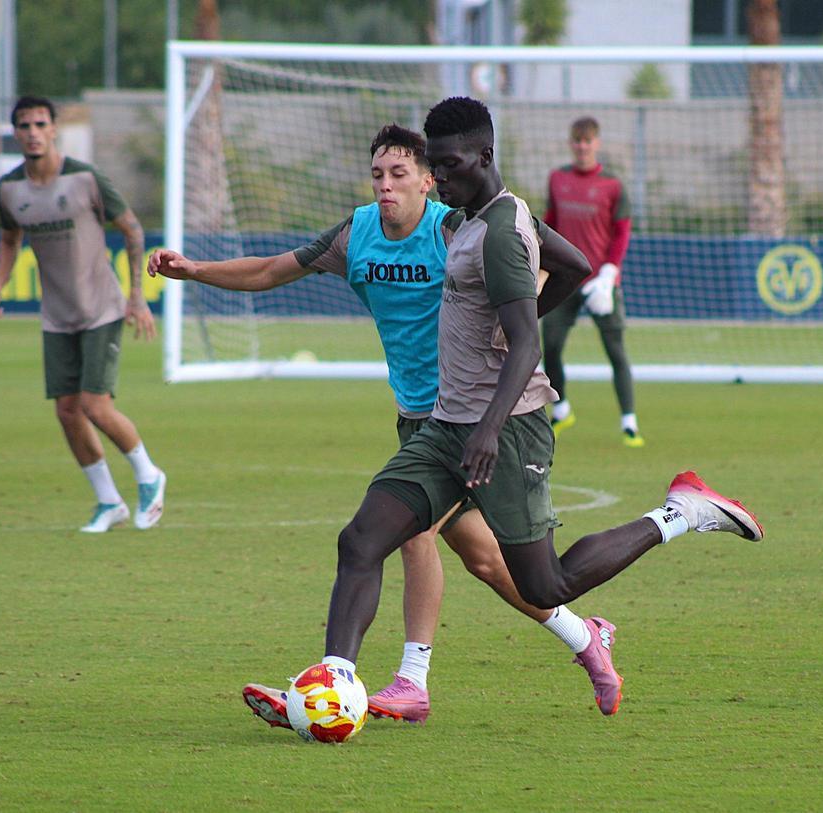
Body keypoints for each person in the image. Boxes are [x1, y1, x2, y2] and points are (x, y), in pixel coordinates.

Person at [246, 97, 764, 730]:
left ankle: (679, 513)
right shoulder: (468, 221)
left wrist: (490, 427)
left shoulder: (496, 232)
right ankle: (334, 681)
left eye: (452, 163)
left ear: (485, 157)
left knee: (545, 584)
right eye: (434, 165)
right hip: (445, 426)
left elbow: (527, 342)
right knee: (361, 539)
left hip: (509, 430)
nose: (444, 176)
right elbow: (573, 267)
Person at [148, 124, 626, 720]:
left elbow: (561, 258)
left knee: (406, 535)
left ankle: (401, 681)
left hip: (474, 418)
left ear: (431, 180)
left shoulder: (459, 227)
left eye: (400, 174)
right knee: (488, 563)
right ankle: (587, 639)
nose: (386, 186)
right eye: (378, 175)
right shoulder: (357, 234)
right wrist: (194, 271)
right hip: (417, 416)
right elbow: (272, 270)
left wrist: (517, 323)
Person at [0, 96, 166, 534]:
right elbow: (10, 239)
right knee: (67, 411)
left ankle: (149, 475)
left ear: (53, 129)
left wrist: (136, 297)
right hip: (56, 315)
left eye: (40, 123)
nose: (32, 131)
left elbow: (132, 229)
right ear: (15, 133)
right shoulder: (9, 188)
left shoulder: (85, 178)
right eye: (23, 125)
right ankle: (108, 501)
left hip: (101, 308)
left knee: (93, 405)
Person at [542, 116, 644, 447]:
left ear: (596, 144)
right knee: (551, 344)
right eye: (577, 141)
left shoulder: (613, 185)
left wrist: (610, 272)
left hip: (600, 280)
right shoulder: (558, 178)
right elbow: (550, 224)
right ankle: (562, 409)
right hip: (566, 277)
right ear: (571, 144)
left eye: (587, 141)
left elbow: (622, 232)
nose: (582, 147)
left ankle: (629, 421)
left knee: (615, 350)